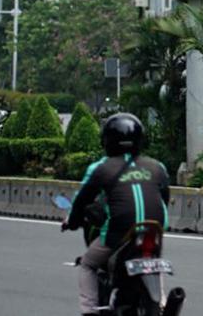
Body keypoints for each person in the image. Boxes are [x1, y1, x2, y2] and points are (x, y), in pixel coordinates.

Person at [62, 113, 170, 315]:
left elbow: (82, 201)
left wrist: (74, 221)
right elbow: (164, 198)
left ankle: (90, 310)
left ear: (107, 140)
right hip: (154, 230)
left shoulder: (101, 168)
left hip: (120, 234)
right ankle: (162, 303)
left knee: (88, 264)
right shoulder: (158, 167)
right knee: (154, 259)